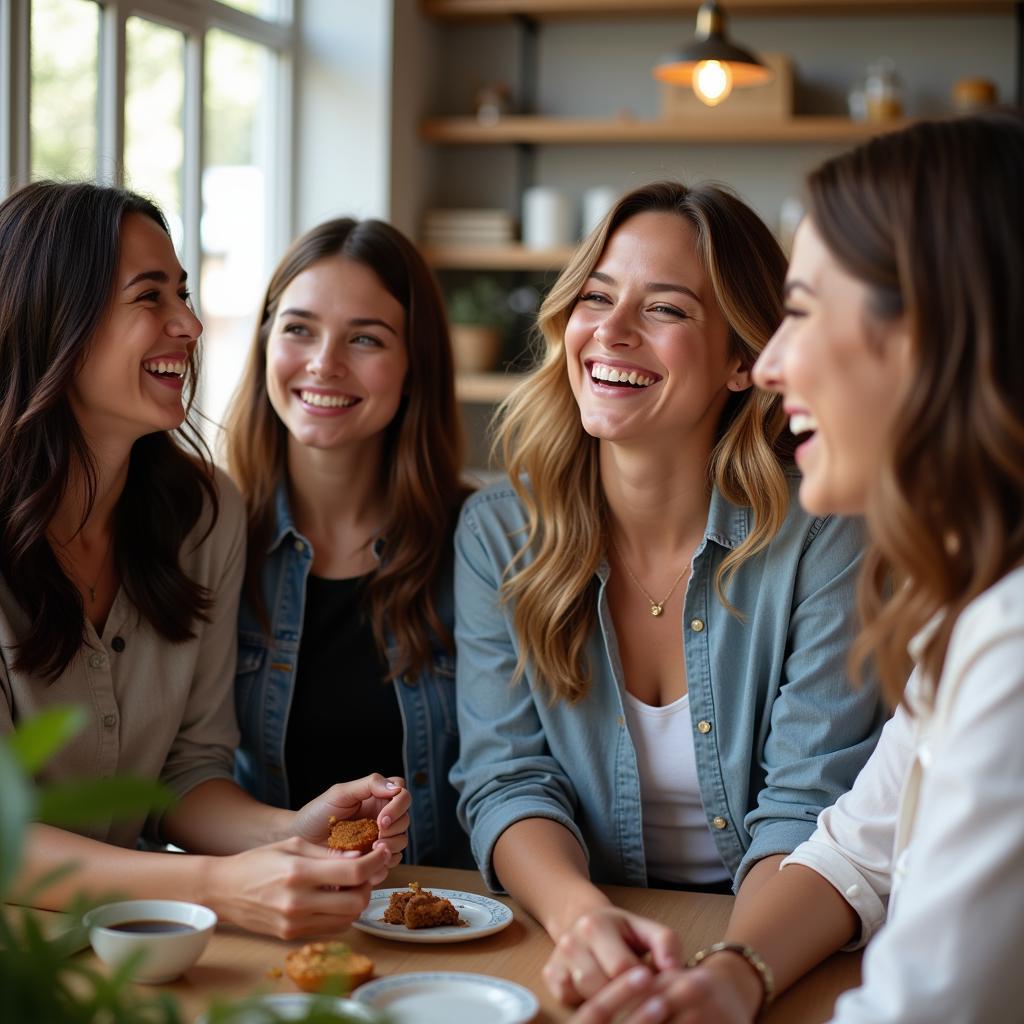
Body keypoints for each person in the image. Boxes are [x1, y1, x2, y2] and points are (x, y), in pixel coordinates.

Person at [569, 112, 1024, 1024]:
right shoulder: (966, 612)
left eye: (803, 312)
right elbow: (860, 847)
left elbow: (925, 1008)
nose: (773, 364)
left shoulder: (1012, 643)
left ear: (930, 336)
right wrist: (732, 975)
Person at [451, 180, 886, 1004]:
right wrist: (583, 919)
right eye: (596, 296)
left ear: (742, 361)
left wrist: (727, 977)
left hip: (783, 946)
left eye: (668, 310)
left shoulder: (825, 534)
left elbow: (810, 808)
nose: (610, 331)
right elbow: (507, 778)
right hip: (575, 937)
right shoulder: (499, 534)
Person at [0, 181, 409, 939]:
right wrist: (218, 885)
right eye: (149, 297)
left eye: (182, 296)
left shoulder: (205, 516)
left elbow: (185, 773)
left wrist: (291, 833)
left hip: (139, 949)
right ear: (55, 317)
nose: (187, 325)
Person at [225, 217, 471, 868]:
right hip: (267, 908)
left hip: (447, 914)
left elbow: (514, 772)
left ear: (416, 364)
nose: (324, 364)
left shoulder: (480, 545)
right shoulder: (211, 539)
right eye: (299, 328)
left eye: (365, 338)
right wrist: (294, 837)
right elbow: (181, 774)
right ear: (266, 342)